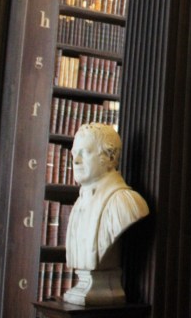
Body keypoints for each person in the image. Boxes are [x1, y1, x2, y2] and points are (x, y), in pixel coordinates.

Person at [63, 123, 148, 305]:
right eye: (73, 154)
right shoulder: (79, 204)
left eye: (84, 152)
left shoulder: (126, 203)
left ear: (109, 157)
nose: (75, 160)